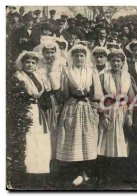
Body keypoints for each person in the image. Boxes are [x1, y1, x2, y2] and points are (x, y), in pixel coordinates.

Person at [56, 44, 102, 186]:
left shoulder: (91, 71)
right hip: (72, 106)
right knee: (72, 138)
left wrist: (95, 107)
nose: (79, 58)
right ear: (72, 57)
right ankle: (73, 172)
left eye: (82, 55)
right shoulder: (67, 71)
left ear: (85, 57)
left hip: (87, 106)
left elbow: (96, 93)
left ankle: (85, 173)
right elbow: (63, 92)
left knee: (87, 138)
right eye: (76, 55)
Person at [97, 49, 136, 185]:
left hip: (123, 111)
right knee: (106, 142)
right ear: (109, 62)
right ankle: (105, 175)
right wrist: (103, 114)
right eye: (113, 61)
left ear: (122, 62)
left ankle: (118, 175)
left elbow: (132, 97)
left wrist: (130, 114)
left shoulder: (127, 76)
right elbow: (99, 96)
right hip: (108, 111)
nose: (116, 63)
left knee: (122, 142)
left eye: (118, 61)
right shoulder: (103, 75)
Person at [15, 51, 52, 187]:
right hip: (26, 110)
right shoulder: (19, 76)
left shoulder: (38, 75)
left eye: (33, 62)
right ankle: (29, 175)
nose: (30, 65)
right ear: (22, 63)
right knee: (30, 140)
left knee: (41, 140)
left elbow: (44, 93)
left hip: (38, 111)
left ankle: (41, 175)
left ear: (36, 64)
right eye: (27, 62)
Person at [35, 39, 66, 161]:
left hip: (58, 98)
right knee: (45, 128)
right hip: (44, 99)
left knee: (56, 128)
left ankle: (56, 157)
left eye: (52, 52)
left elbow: (63, 83)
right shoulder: (38, 64)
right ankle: (45, 157)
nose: (50, 55)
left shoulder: (61, 63)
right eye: (47, 52)